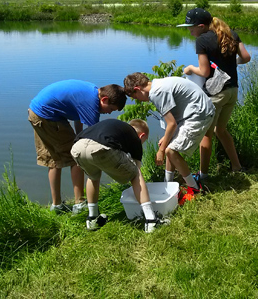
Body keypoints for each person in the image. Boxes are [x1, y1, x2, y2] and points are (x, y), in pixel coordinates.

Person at [28, 80, 126, 214]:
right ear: (104, 99)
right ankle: (79, 203)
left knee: (54, 160)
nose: (109, 113)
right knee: (76, 158)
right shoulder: (91, 105)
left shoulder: (92, 92)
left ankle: (56, 206)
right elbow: (96, 138)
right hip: (48, 117)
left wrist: (77, 138)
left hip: (37, 112)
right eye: (110, 109)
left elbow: (79, 116)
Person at [179, 8, 251, 179]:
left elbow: (204, 72)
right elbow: (246, 57)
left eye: (191, 27)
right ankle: (236, 166)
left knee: (206, 134)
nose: (189, 31)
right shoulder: (231, 33)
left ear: (202, 26)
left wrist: (190, 69)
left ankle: (203, 176)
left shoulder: (202, 40)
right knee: (221, 130)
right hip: (232, 90)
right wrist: (229, 64)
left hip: (215, 94)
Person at [123, 72, 215, 198]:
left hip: (198, 115)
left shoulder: (157, 93)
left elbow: (171, 124)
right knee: (168, 144)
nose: (139, 100)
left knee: (170, 150)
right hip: (198, 110)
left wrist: (161, 151)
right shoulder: (158, 84)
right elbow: (172, 123)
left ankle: (195, 189)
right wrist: (165, 140)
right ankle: (168, 184)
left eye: (136, 97)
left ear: (137, 89)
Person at [71, 118, 169, 233]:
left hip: (77, 147)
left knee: (93, 176)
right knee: (135, 174)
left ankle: (92, 219)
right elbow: (136, 170)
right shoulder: (134, 138)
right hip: (101, 147)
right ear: (142, 136)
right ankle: (151, 220)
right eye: (144, 141)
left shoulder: (115, 127)